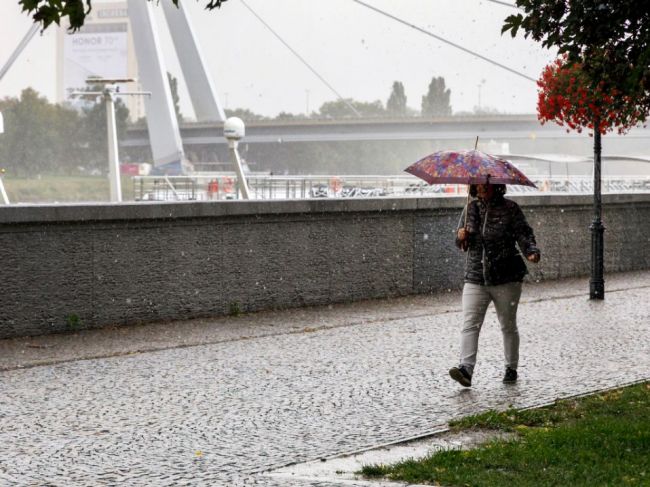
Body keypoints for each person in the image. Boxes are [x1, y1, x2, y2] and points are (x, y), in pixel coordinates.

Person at [449, 183, 540, 387]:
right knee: (470, 323)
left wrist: (531, 251)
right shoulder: (470, 209)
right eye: (479, 184)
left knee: (507, 325)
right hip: (475, 276)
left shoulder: (510, 208)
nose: (483, 187)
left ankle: (511, 368)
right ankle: (466, 369)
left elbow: (523, 234)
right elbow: (462, 244)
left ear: (497, 185)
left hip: (506, 277)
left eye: (487, 184)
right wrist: (460, 236)